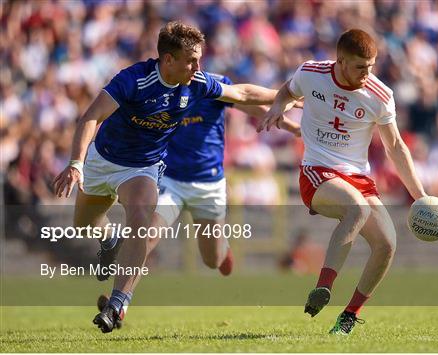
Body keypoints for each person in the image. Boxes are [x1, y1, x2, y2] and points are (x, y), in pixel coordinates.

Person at [53, 21, 290, 334]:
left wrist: (294, 95)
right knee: (83, 225)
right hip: (103, 160)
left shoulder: (197, 83)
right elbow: (91, 116)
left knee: (140, 220)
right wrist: (75, 163)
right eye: (191, 60)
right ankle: (109, 240)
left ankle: (118, 303)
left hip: (143, 168)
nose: (198, 66)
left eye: (199, 59)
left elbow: (243, 93)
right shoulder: (133, 79)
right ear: (168, 60)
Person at [259, 28, 427, 335]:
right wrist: (276, 107)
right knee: (357, 209)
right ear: (340, 61)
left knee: (387, 244)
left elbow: (395, 147)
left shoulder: (380, 95)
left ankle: (348, 316)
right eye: (361, 66)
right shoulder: (311, 72)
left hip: (357, 177)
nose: (368, 73)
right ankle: (323, 288)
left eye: (372, 66)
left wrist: (420, 196)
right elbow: (287, 91)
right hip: (318, 171)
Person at [147, 72, 301, 276]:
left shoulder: (213, 84)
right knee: (147, 235)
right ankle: (119, 302)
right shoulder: (158, 87)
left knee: (212, 260)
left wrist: (292, 127)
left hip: (207, 183)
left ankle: (222, 249)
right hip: (170, 179)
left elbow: (247, 102)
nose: (193, 64)